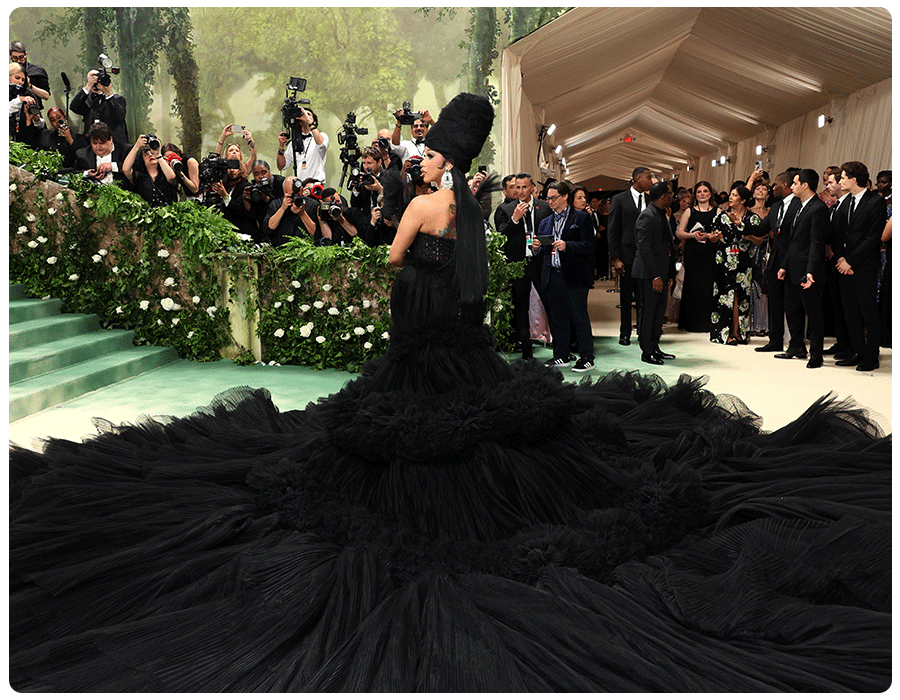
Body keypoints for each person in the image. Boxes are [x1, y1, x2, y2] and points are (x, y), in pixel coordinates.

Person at [8, 93, 890, 694]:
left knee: (408, 447)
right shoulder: (473, 211)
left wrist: (406, 242)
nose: (422, 158)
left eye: (428, 151)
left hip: (421, 335)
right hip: (466, 339)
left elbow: (391, 261)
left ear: (442, 156)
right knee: (486, 439)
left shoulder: (427, 206)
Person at [532, 180, 596, 371]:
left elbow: (590, 246)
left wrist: (568, 245)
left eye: (554, 198)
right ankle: (561, 355)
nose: (550, 202)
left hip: (574, 276)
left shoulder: (581, 218)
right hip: (552, 275)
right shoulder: (545, 222)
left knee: (579, 318)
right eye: (548, 198)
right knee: (557, 319)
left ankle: (587, 358)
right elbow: (541, 250)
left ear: (565, 196)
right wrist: (536, 248)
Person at [832, 161, 888, 372]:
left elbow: (873, 237)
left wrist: (850, 261)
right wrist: (840, 259)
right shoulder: (845, 202)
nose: (841, 181)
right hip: (844, 265)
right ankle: (857, 351)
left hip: (864, 266)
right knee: (850, 311)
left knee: (867, 311)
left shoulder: (875, 202)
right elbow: (838, 234)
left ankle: (871, 356)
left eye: (844, 177)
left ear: (854, 180)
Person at [495, 172, 553, 358]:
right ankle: (526, 351)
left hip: (540, 263)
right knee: (520, 307)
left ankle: (560, 348)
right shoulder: (505, 210)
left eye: (524, 187)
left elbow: (553, 234)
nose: (520, 191)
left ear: (532, 188)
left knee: (550, 304)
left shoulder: (545, 208)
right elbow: (501, 237)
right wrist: (515, 218)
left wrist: (541, 244)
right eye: (516, 187)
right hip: (518, 265)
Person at [776, 168, 829, 368]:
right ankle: (796, 346)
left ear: (805, 185)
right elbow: (793, 241)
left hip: (808, 269)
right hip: (793, 266)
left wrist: (811, 271)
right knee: (792, 309)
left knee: (813, 313)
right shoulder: (799, 205)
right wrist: (784, 266)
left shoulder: (818, 208)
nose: (792, 186)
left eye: (795, 183)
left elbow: (817, 243)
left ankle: (816, 354)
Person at [709, 186, 767, 345]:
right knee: (725, 295)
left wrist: (747, 236)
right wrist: (715, 237)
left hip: (744, 262)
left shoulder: (753, 218)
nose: (730, 197)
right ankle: (725, 332)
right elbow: (712, 238)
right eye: (730, 194)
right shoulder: (722, 217)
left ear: (742, 200)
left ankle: (739, 331)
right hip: (724, 260)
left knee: (741, 296)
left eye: (734, 195)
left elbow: (760, 240)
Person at [755, 168, 802, 353]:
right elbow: (761, 229)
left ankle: (796, 344)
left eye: (775, 184)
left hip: (792, 261)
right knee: (774, 302)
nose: (772, 187)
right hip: (775, 261)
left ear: (785, 185)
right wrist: (739, 225)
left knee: (792, 304)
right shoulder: (776, 207)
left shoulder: (799, 205)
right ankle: (775, 340)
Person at [608, 166, 653, 345]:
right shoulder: (619, 199)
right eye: (648, 177)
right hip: (627, 256)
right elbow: (613, 230)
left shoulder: (651, 200)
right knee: (626, 297)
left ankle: (644, 332)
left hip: (646, 255)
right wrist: (615, 258)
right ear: (637, 178)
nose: (651, 180)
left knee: (644, 298)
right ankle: (624, 333)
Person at [632, 181, 676, 364]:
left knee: (658, 312)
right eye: (670, 194)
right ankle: (646, 351)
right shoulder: (646, 216)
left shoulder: (661, 214)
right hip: (649, 274)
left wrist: (670, 274)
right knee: (648, 312)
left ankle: (655, 347)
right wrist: (655, 276)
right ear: (664, 196)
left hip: (662, 272)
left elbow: (668, 245)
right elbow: (644, 249)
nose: (673, 197)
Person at [675, 181, 717, 333]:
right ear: (695, 194)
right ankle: (691, 322)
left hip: (710, 252)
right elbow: (679, 232)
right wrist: (692, 235)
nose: (702, 194)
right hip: (693, 252)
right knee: (692, 285)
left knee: (708, 285)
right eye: (699, 192)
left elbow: (721, 233)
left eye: (705, 191)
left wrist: (709, 235)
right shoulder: (689, 211)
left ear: (710, 193)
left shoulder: (718, 211)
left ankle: (708, 322)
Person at [70, 68, 127, 143]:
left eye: (97, 78)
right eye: (92, 78)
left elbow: (119, 116)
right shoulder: (86, 101)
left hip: (113, 143)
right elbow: (74, 107)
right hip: (91, 143)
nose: (95, 81)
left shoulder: (117, 99)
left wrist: (108, 93)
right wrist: (88, 87)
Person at [122, 135, 178, 207]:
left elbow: (172, 177)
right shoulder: (139, 177)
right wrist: (136, 147)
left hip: (169, 214)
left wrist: (157, 154)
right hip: (145, 215)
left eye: (152, 153)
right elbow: (125, 169)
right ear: (142, 161)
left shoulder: (165, 173)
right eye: (146, 155)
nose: (150, 155)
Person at [277, 108, 328, 183]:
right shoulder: (294, 142)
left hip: (316, 185)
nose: (305, 116)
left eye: (309, 114)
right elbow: (281, 166)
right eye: (303, 114)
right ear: (300, 122)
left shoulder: (322, 136)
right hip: (300, 186)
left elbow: (321, 145)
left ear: (314, 121)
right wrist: (281, 146)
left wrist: (309, 121)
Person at [73, 121, 130, 185]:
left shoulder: (125, 150)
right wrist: (87, 173)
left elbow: (136, 171)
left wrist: (113, 166)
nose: (98, 147)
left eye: (102, 143)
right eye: (94, 143)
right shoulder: (82, 154)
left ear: (110, 139)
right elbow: (73, 173)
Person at [9, 41, 50, 108]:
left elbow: (46, 96)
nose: (19, 61)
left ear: (26, 54)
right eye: (15, 58)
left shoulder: (37, 71)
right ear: (11, 57)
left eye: (21, 57)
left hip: (33, 110)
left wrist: (30, 86)